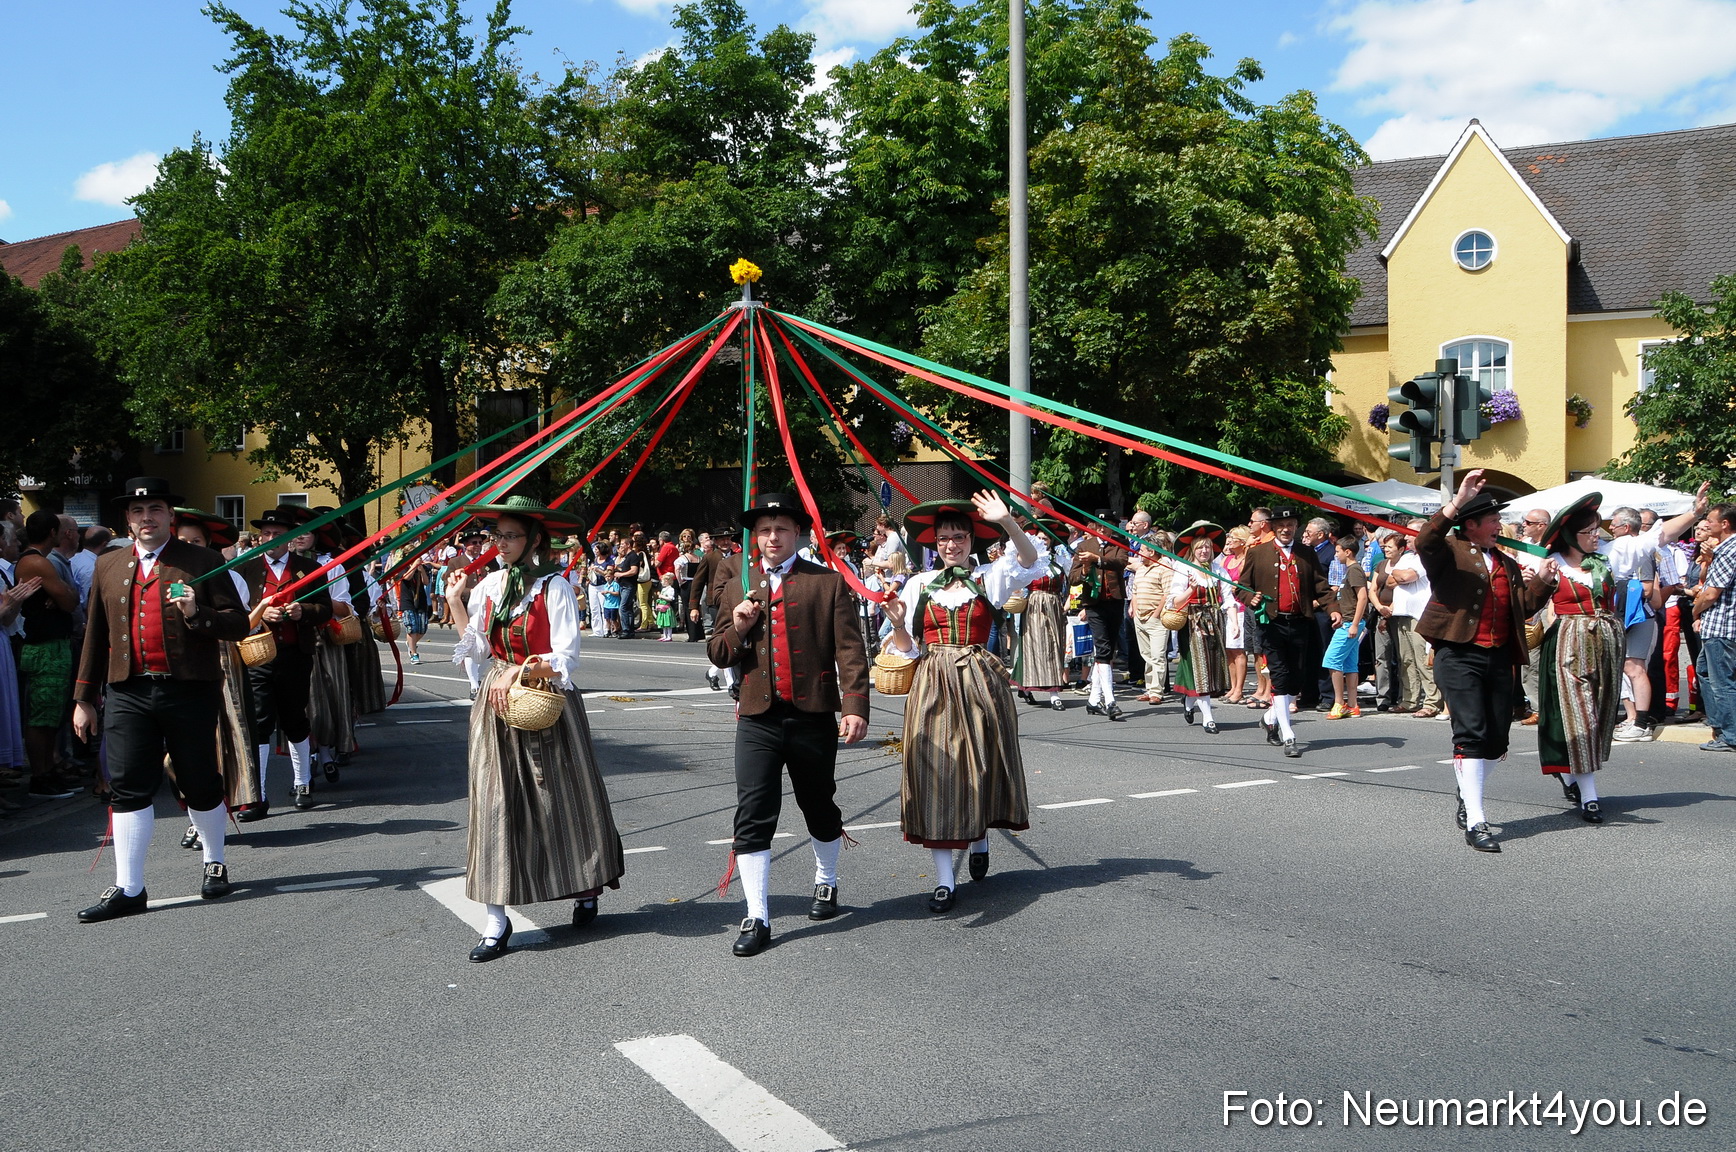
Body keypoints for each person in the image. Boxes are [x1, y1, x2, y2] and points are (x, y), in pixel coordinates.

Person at [446, 495, 625, 962]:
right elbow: (477, 651)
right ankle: (495, 920)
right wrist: (455, 602)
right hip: (498, 705)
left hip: (547, 704)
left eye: (509, 536)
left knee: (562, 800)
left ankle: (585, 887)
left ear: (534, 540)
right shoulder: (488, 585)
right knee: (494, 804)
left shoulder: (555, 588)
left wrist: (521, 669)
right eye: (496, 536)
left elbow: (565, 659)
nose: (499, 544)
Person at [71, 479, 249, 920]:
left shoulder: (202, 561)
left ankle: (215, 861)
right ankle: (130, 887)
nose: (146, 517)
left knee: (198, 778)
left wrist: (198, 614)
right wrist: (84, 698)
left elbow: (238, 625)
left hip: (188, 688)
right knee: (127, 785)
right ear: (126, 520)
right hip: (127, 690)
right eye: (137, 511)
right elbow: (95, 634)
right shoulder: (108, 565)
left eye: (154, 509)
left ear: (171, 516)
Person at [708, 493, 869, 956]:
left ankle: (826, 879)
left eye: (780, 529)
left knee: (819, 805)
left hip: (812, 714)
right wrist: (737, 627)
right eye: (763, 530)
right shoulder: (739, 584)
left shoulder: (827, 582)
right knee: (753, 812)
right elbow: (718, 653)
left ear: (796, 533)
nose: (772, 537)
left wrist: (855, 705)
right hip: (757, 717)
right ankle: (757, 916)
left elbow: (850, 651)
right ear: (754, 537)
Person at [881, 492, 1046, 912]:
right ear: (933, 544)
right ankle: (943, 880)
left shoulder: (992, 576)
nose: (951, 545)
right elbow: (908, 648)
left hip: (979, 680)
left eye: (958, 537)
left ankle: (980, 835)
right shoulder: (918, 584)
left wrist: (1008, 521)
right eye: (943, 539)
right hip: (933, 681)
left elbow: (1030, 559)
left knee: (981, 763)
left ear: (971, 540)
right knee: (936, 771)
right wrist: (899, 626)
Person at [1413, 470, 1553, 853]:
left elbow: (1523, 609)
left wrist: (1543, 581)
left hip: (1498, 657)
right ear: (1471, 524)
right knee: (1471, 734)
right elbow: (1425, 539)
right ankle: (1476, 820)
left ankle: (1465, 787)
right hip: (1458, 654)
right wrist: (1456, 502)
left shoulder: (1506, 564)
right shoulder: (1449, 550)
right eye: (1493, 520)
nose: (1499, 526)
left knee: (1496, 740)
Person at [169, 508, 262, 848]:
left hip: (220, 660)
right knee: (177, 750)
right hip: (177, 667)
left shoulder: (225, 575)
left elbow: (239, 621)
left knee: (222, 740)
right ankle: (196, 812)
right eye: (183, 541)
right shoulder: (164, 572)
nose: (190, 547)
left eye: (197, 541)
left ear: (208, 545)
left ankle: (210, 816)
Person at [236, 506, 334, 817]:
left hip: (295, 654)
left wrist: (302, 611)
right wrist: (260, 613)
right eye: (265, 534)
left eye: (277, 534)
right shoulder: (246, 569)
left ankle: (303, 782)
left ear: (289, 538)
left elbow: (326, 609)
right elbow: (236, 612)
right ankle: (258, 794)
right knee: (260, 723)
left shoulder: (308, 567)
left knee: (294, 718)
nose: (270, 539)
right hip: (258, 656)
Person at [1532, 493, 1622, 822]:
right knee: (1581, 715)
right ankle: (1590, 796)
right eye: (1590, 532)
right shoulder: (1549, 562)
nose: (1597, 536)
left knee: (1600, 711)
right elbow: (1529, 604)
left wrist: (1695, 512)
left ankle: (1570, 774)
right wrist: (1542, 580)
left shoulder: (1605, 558)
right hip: (1569, 642)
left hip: (1608, 641)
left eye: (1598, 530)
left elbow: (1659, 536)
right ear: (1572, 536)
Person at [1602, 496, 1703, 741]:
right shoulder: (1612, 550)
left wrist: (1694, 512)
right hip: (1626, 615)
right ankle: (1633, 718)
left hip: (1638, 615)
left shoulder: (1643, 551)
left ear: (1626, 528)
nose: (1609, 529)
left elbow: (1653, 592)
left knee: (1636, 668)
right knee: (1626, 667)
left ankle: (1642, 721)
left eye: (1613, 525)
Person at [1236, 508, 1336, 758]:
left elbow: (1321, 586)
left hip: (1300, 621)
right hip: (1271, 623)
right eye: (1281, 524)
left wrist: (1333, 609)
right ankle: (1289, 735)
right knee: (1279, 676)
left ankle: (1270, 718)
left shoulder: (1306, 552)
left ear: (1295, 527)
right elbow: (1241, 587)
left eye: (1290, 524)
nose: (1286, 529)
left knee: (1297, 678)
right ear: (1273, 527)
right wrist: (1252, 597)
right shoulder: (1257, 553)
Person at [1167, 522, 1230, 733]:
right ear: (1193, 549)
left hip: (1215, 620)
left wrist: (1235, 624)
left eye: (1208, 547)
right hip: (1194, 622)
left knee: (1212, 667)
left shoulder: (1219, 571)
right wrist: (1191, 589)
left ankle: (1188, 701)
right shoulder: (1184, 570)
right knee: (1200, 666)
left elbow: (1228, 599)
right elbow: (1175, 602)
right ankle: (1209, 718)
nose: (1204, 551)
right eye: (1200, 547)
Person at [1070, 514, 1130, 720]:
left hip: (1115, 601)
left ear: (1114, 527)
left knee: (1107, 652)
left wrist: (1097, 560)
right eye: (1099, 526)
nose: (1103, 530)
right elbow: (1073, 577)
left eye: (1107, 526)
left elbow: (1121, 562)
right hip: (1093, 604)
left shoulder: (1121, 542)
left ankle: (1094, 700)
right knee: (1103, 650)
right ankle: (1111, 700)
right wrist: (1086, 570)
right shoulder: (1084, 545)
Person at [1012, 516, 1070, 711]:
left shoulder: (1057, 560)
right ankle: (1042, 690)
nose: (1044, 541)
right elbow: (1017, 581)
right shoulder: (1030, 561)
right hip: (1035, 604)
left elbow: (1067, 583)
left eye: (1047, 539)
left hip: (1054, 604)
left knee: (1055, 646)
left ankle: (1043, 691)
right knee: (1035, 646)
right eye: (1041, 538)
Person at [1691, 501, 1736, 752]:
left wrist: (1695, 610)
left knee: (1722, 681)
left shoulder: (1729, 550)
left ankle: (1730, 736)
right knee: (1706, 672)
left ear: (1725, 524)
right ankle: (1720, 726)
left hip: (1723, 625)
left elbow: (1710, 594)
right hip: (1721, 625)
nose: (1707, 524)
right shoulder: (1723, 550)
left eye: (1711, 520)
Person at [1386, 522, 1443, 718]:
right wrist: (1399, 575)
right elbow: (1390, 581)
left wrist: (1400, 575)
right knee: (1406, 660)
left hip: (1419, 615)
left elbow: (1408, 576)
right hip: (1402, 613)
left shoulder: (1427, 556)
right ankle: (1409, 700)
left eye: (1410, 534)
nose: (1406, 538)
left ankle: (1431, 701)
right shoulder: (1408, 557)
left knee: (1423, 660)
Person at [1324, 536, 1369, 718]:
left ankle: (1338, 702)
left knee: (1331, 660)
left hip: (1351, 623)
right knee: (1350, 664)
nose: (1336, 555)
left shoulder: (1354, 570)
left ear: (1348, 552)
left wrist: (1355, 624)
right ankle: (1352, 704)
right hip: (1349, 621)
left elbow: (1363, 597)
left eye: (1338, 551)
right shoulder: (1349, 571)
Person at [1128, 533, 1175, 705]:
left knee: (1157, 656)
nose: (1139, 553)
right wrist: (1133, 606)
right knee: (1146, 655)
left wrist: (1156, 614)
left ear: (1152, 552)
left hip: (1156, 619)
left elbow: (1167, 593)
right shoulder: (1141, 569)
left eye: (1142, 550)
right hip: (1140, 618)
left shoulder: (1165, 567)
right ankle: (1150, 688)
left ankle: (1157, 691)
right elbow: (1134, 590)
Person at [1214, 527, 1252, 705]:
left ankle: (1239, 689)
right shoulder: (1227, 560)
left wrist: (1234, 585)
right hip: (1225, 606)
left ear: (1242, 542)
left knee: (1238, 649)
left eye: (1233, 539)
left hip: (1240, 608)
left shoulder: (1245, 560)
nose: (1229, 542)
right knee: (1229, 650)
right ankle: (1233, 686)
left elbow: (1244, 583)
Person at [654, 572, 678, 641]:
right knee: (663, 623)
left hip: (666, 608)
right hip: (662, 607)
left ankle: (669, 636)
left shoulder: (671, 589)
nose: (661, 582)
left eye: (662, 581)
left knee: (668, 622)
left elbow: (670, 598)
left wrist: (662, 596)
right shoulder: (664, 589)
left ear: (666, 581)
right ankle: (665, 635)